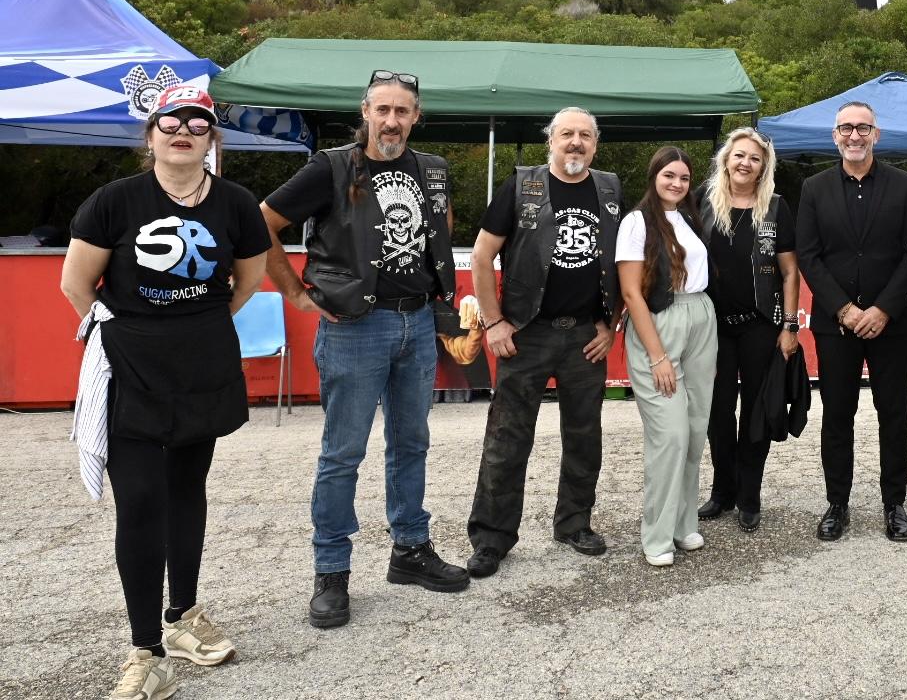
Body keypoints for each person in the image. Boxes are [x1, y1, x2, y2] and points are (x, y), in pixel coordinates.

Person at [60, 85, 270, 700]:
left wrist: (198, 323)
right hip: (132, 364)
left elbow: (249, 276)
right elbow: (77, 283)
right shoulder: (115, 200)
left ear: (212, 139)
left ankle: (182, 617)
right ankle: (145, 649)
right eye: (169, 122)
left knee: (187, 491)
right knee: (143, 499)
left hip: (202, 360)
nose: (183, 131)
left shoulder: (233, 203)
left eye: (197, 124)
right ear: (149, 136)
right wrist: (125, 334)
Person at [260, 69, 467, 629]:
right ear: (366, 112)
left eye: (403, 111)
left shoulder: (433, 170)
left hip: (418, 323)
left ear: (416, 117)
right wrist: (296, 294)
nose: (392, 121)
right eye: (383, 110)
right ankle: (332, 572)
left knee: (412, 442)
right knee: (342, 453)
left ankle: (410, 551)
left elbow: (440, 231)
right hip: (355, 326)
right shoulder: (329, 167)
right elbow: (263, 224)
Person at [464, 108, 623, 576]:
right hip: (526, 333)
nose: (576, 143)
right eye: (567, 134)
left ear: (595, 144)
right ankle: (492, 538)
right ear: (550, 140)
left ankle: (574, 524)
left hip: (584, 336)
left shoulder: (610, 189)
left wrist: (609, 324)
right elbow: (481, 254)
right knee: (507, 439)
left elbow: (624, 262)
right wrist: (493, 322)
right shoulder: (522, 184)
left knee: (584, 437)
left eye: (586, 136)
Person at [796, 100, 907, 542]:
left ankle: (895, 503)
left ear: (876, 134)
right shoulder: (813, 188)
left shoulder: (906, 186)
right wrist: (845, 310)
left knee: (894, 413)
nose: (854, 135)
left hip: (892, 321)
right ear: (834, 136)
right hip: (837, 325)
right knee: (838, 414)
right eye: (846, 128)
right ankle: (837, 503)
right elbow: (809, 257)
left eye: (863, 128)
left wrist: (883, 308)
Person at [616, 147, 718, 566]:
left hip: (700, 316)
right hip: (660, 322)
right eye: (669, 175)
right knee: (670, 434)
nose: (676, 183)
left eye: (683, 177)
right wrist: (657, 355)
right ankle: (656, 535)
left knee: (695, 431)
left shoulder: (689, 218)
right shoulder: (636, 222)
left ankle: (682, 523)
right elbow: (630, 292)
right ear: (654, 175)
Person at [696, 128, 800, 533]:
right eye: (739, 155)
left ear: (763, 167)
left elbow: (790, 272)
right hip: (712, 326)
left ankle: (749, 494)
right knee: (717, 412)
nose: (745, 163)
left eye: (754, 158)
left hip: (761, 326)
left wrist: (790, 326)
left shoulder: (776, 207)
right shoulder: (702, 204)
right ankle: (722, 491)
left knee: (756, 411)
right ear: (726, 159)